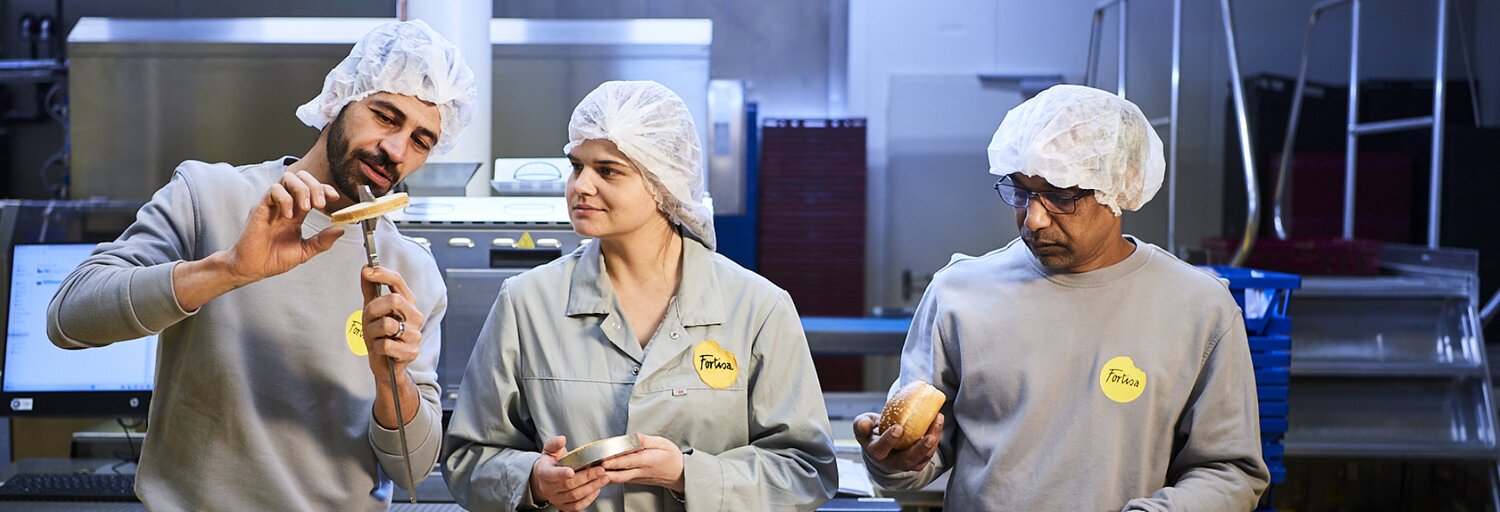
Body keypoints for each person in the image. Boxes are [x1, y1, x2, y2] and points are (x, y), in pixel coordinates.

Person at [46, 20, 475, 511]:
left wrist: (390, 380)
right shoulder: (209, 196)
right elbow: (68, 317)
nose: (395, 150)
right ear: (339, 100)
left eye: (421, 140)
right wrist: (227, 270)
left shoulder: (411, 270)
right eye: (385, 116)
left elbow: (412, 469)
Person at [854, 84, 1269, 511]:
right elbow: (918, 456)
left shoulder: (1197, 308)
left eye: (1059, 196)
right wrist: (892, 458)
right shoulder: (959, 292)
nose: (1033, 219)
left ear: (1119, 187)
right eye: (1021, 191)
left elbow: (1231, 470)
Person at [442, 80, 837, 511]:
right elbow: (468, 457)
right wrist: (532, 482)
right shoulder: (527, 303)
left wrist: (687, 475)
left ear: (663, 182)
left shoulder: (758, 308)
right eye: (577, 166)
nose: (581, 186)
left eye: (607, 171)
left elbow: (807, 470)